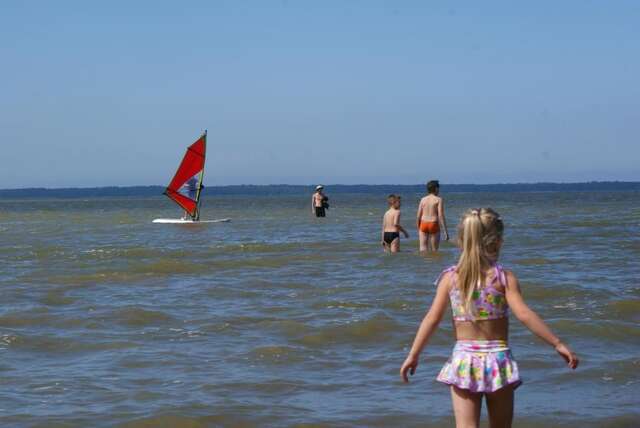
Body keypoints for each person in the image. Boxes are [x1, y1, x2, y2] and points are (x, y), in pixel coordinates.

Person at [400, 208, 579, 428]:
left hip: (464, 359)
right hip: (498, 360)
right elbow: (524, 314)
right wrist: (557, 343)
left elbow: (432, 319)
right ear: (498, 241)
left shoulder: (451, 278)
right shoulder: (504, 278)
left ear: (461, 240)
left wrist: (413, 354)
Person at [416, 180, 449, 252]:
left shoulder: (423, 199)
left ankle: (425, 263)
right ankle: (433, 263)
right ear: (436, 189)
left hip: (423, 223)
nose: (439, 190)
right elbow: (440, 215)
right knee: (434, 250)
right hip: (433, 223)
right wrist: (445, 232)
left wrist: (418, 227)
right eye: (438, 188)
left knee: (423, 249)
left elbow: (418, 215)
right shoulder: (439, 199)